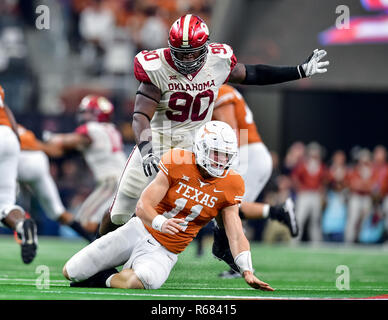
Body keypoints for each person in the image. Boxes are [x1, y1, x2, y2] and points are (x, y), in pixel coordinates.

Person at [98, 14, 329, 269]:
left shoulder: (217, 61)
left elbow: (253, 73)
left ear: (205, 46)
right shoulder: (157, 66)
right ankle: (97, 255)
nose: (186, 59)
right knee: (120, 211)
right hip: (159, 142)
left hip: (195, 146)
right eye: (180, 53)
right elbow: (140, 116)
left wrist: (299, 71)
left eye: (191, 53)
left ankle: (222, 243)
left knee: (222, 190)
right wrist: (147, 150)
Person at [62, 121, 274, 291]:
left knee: (141, 281)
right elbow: (143, 206)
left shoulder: (232, 183)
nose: (221, 161)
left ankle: (103, 279)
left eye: (226, 155)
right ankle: (103, 270)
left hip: (166, 250)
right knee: (70, 271)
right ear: (201, 148)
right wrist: (161, 223)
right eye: (216, 153)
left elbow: (235, 232)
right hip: (139, 230)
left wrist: (247, 270)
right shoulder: (177, 160)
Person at [210, 84, 298, 278]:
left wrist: (225, 166)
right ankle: (279, 211)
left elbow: (231, 134)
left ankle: (236, 259)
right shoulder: (225, 90)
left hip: (246, 154)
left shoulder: (220, 91)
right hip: (250, 154)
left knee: (229, 208)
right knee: (233, 208)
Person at [43, 95, 127, 235]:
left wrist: (50, 137)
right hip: (121, 179)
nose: (84, 116)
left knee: (86, 222)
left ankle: (103, 248)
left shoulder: (91, 129)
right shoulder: (111, 129)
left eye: (88, 112)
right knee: (103, 220)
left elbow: (66, 142)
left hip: (111, 182)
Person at [16, 124, 94, 242]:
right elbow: (54, 149)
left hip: (18, 162)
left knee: (7, 206)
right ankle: (91, 239)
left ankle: (25, 231)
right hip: (39, 161)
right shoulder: (20, 127)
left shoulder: (7, 127)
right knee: (58, 212)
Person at [0, 85, 37, 264]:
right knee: (5, 204)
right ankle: (22, 225)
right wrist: (14, 140)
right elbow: (6, 111)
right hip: (8, 136)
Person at [291, 142, 326, 242]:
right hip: (305, 194)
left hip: (315, 195)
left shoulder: (321, 166)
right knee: (300, 218)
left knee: (315, 220)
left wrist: (322, 191)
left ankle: (316, 242)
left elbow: (324, 180)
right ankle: (294, 241)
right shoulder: (303, 165)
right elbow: (295, 177)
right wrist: (299, 188)